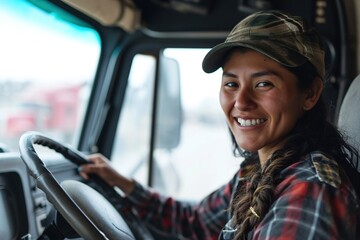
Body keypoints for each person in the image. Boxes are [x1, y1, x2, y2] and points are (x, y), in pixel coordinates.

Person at [79, 10, 360, 240]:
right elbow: (195, 222)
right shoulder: (258, 171)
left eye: (263, 84)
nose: (241, 101)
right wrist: (124, 185)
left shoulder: (308, 191)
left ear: (309, 94)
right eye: (231, 84)